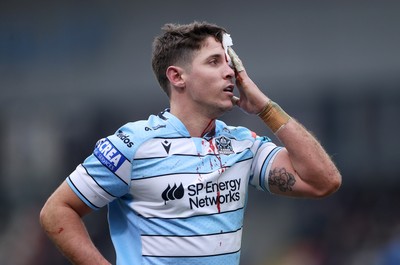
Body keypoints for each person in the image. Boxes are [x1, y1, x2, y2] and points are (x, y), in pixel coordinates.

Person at [40, 21, 341, 265]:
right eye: (214, 62)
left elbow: (324, 182)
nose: (231, 73)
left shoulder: (242, 144)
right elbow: (57, 211)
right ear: (177, 77)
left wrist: (265, 107)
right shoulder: (133, 144)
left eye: (229, 63)